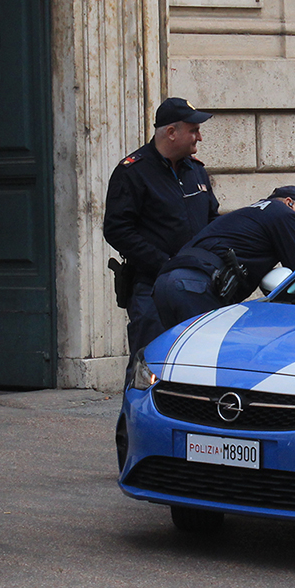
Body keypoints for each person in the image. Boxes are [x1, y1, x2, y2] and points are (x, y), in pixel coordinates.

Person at [103, 97, 220, 383]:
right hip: (152, 289)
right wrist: (165, 264)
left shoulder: (195, 170)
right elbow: (117, 229)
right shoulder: (133, 172)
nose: (199, 137)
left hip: (198, 286)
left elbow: (212, 219)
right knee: (149, 367)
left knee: (196, 369)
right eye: (193, 130)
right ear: (171, 132)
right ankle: (131, 428)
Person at [152, 186, 295, 329]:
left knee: (176, 361)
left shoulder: (246, 215)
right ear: (289, 202)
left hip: (165, 284)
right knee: (204, 360)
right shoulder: (286, 215)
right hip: (196, 288)